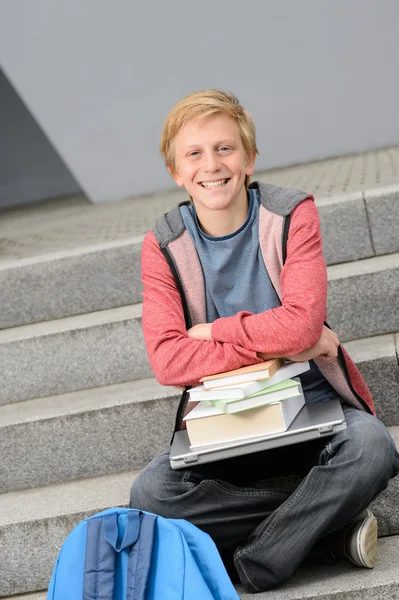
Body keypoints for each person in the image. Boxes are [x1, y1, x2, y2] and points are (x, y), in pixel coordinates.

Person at [130, 90, 399, 592]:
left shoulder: (292, 214)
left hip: (311, 410)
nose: (212, 165)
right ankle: (325, 533)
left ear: (250, 157)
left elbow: (300, 324)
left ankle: (255, 559)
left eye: (225, 148)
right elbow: (168, 360)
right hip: (222, 428)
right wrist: (286, 339)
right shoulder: (163, 244)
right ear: (175, 171)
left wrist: (215, 331)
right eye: (194, 153)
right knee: (151, 495)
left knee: (372, 447)